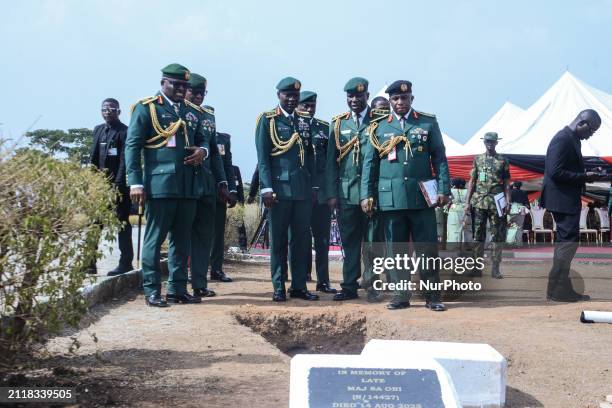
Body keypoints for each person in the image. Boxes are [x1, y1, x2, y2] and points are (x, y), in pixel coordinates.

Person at [361, 80, 450, 311]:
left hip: (421, 198)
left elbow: (439, 158)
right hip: (390, 199)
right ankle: (401, 295)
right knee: (396, 249)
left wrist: (443, 189)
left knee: (426, 247)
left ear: (412, 98)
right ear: (390, 101)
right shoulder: (378, 128)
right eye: (396, 99)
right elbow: (370, 165)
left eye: (405, 97)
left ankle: (432, 296)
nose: (400, 102)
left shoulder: (427, 122)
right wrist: (366, 195)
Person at [125, 63, 209, 307]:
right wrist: (135, 183)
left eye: (184, 85)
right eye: (176, 84)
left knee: (182, 240)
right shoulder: (147, 108)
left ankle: (177, 289)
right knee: (154, 239)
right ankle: (152, 289)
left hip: (188, 185)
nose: (182, 89)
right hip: (160, 184)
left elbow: (204, 137)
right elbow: (133, 146)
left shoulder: (192, 112)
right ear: (163, 83)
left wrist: (202, 150)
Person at [255, 77, 319, 302]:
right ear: (278, 95)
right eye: (287, 95)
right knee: (279, 241)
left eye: (295, 96)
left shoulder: (303, 121)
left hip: (301, 190)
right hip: (278, 192)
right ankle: (279, 286)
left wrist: (312, 185)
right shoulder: (268, 120)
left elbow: (309, 155)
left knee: (301, 241)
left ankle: (299, 286)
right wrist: (266, 189)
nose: (292, 99)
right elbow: (263, 159)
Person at [541, 109, 605, 302]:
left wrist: (588, 174)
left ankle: (561, 288)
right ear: (582, 123)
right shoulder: (562, 139)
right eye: (591, 130)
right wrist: (585, 177)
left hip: (566, 198)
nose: (590, 135)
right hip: (561, 199)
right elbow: (555, 172)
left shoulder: (573, 139)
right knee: (567, 243)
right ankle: (556, 289)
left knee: (567, 243)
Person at [327, 77, 380, 302]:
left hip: (373, 194)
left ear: (367, 96)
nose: (354, 100)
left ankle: (372, 286)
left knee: (372, 242)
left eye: (359, 95)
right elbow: (331, 162)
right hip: (347, 193)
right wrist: (331, 194)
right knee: (349, 242)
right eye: (350, 96)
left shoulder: (379, 120)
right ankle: (349, 286)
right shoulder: (338, 124)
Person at [182, 72, 227, 298]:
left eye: (203, 93)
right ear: (185, 90)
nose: (199, 96)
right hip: (183, 183)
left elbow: (215, 153)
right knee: (180, 236)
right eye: (194, 92)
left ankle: (199, 283)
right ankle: (178, 284)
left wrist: (222, 181)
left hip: (206, 183)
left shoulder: (208, 115)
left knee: (203, 236)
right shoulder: (177, 111)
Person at [296, 91, 337, 293]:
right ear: (297, 106)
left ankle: (323, 281)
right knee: (300, 238)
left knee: (322, 240)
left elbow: (330, 165)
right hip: (300, 194)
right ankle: (302, 279)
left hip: (321, 195)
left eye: (312, 105)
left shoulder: (324, 128)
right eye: (305, 106)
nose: (309, 109)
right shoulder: (292, 126)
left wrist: (330, 193)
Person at [89, 98, 133, 276]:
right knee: (94, 223)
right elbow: (93, 158)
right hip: (99, 186)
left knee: (122, 224)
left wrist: (118, 185)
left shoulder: (125, 132)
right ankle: (89, 262)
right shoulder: (98, 130)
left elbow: (125, 160)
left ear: (119, 112)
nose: (108, 112)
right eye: (105, 109)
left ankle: (126, 262)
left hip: (118, 186)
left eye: (112, 109)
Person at [464, 132, 511, 279]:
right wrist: (467, 202)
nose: (489, 143)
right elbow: (472, 181)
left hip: (497, 202)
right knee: (478, 235)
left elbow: (507, 183)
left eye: (492, 141)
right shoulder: (477, 159)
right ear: (484, 143)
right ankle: (477, 268)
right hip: (479, 202)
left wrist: (508, 201)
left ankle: (495, 269)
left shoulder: (503, 160)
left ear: (496, 143)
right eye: (487, 141)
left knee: (497, 236)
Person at [210, 130, 238, 282]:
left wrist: (232, 190)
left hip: (220, 192)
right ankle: (192, 271)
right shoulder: (191, 133)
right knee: (191, 233)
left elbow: (228, 165)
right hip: (198, 191)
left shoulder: (223, 139)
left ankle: (216, 270)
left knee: (218, 234)